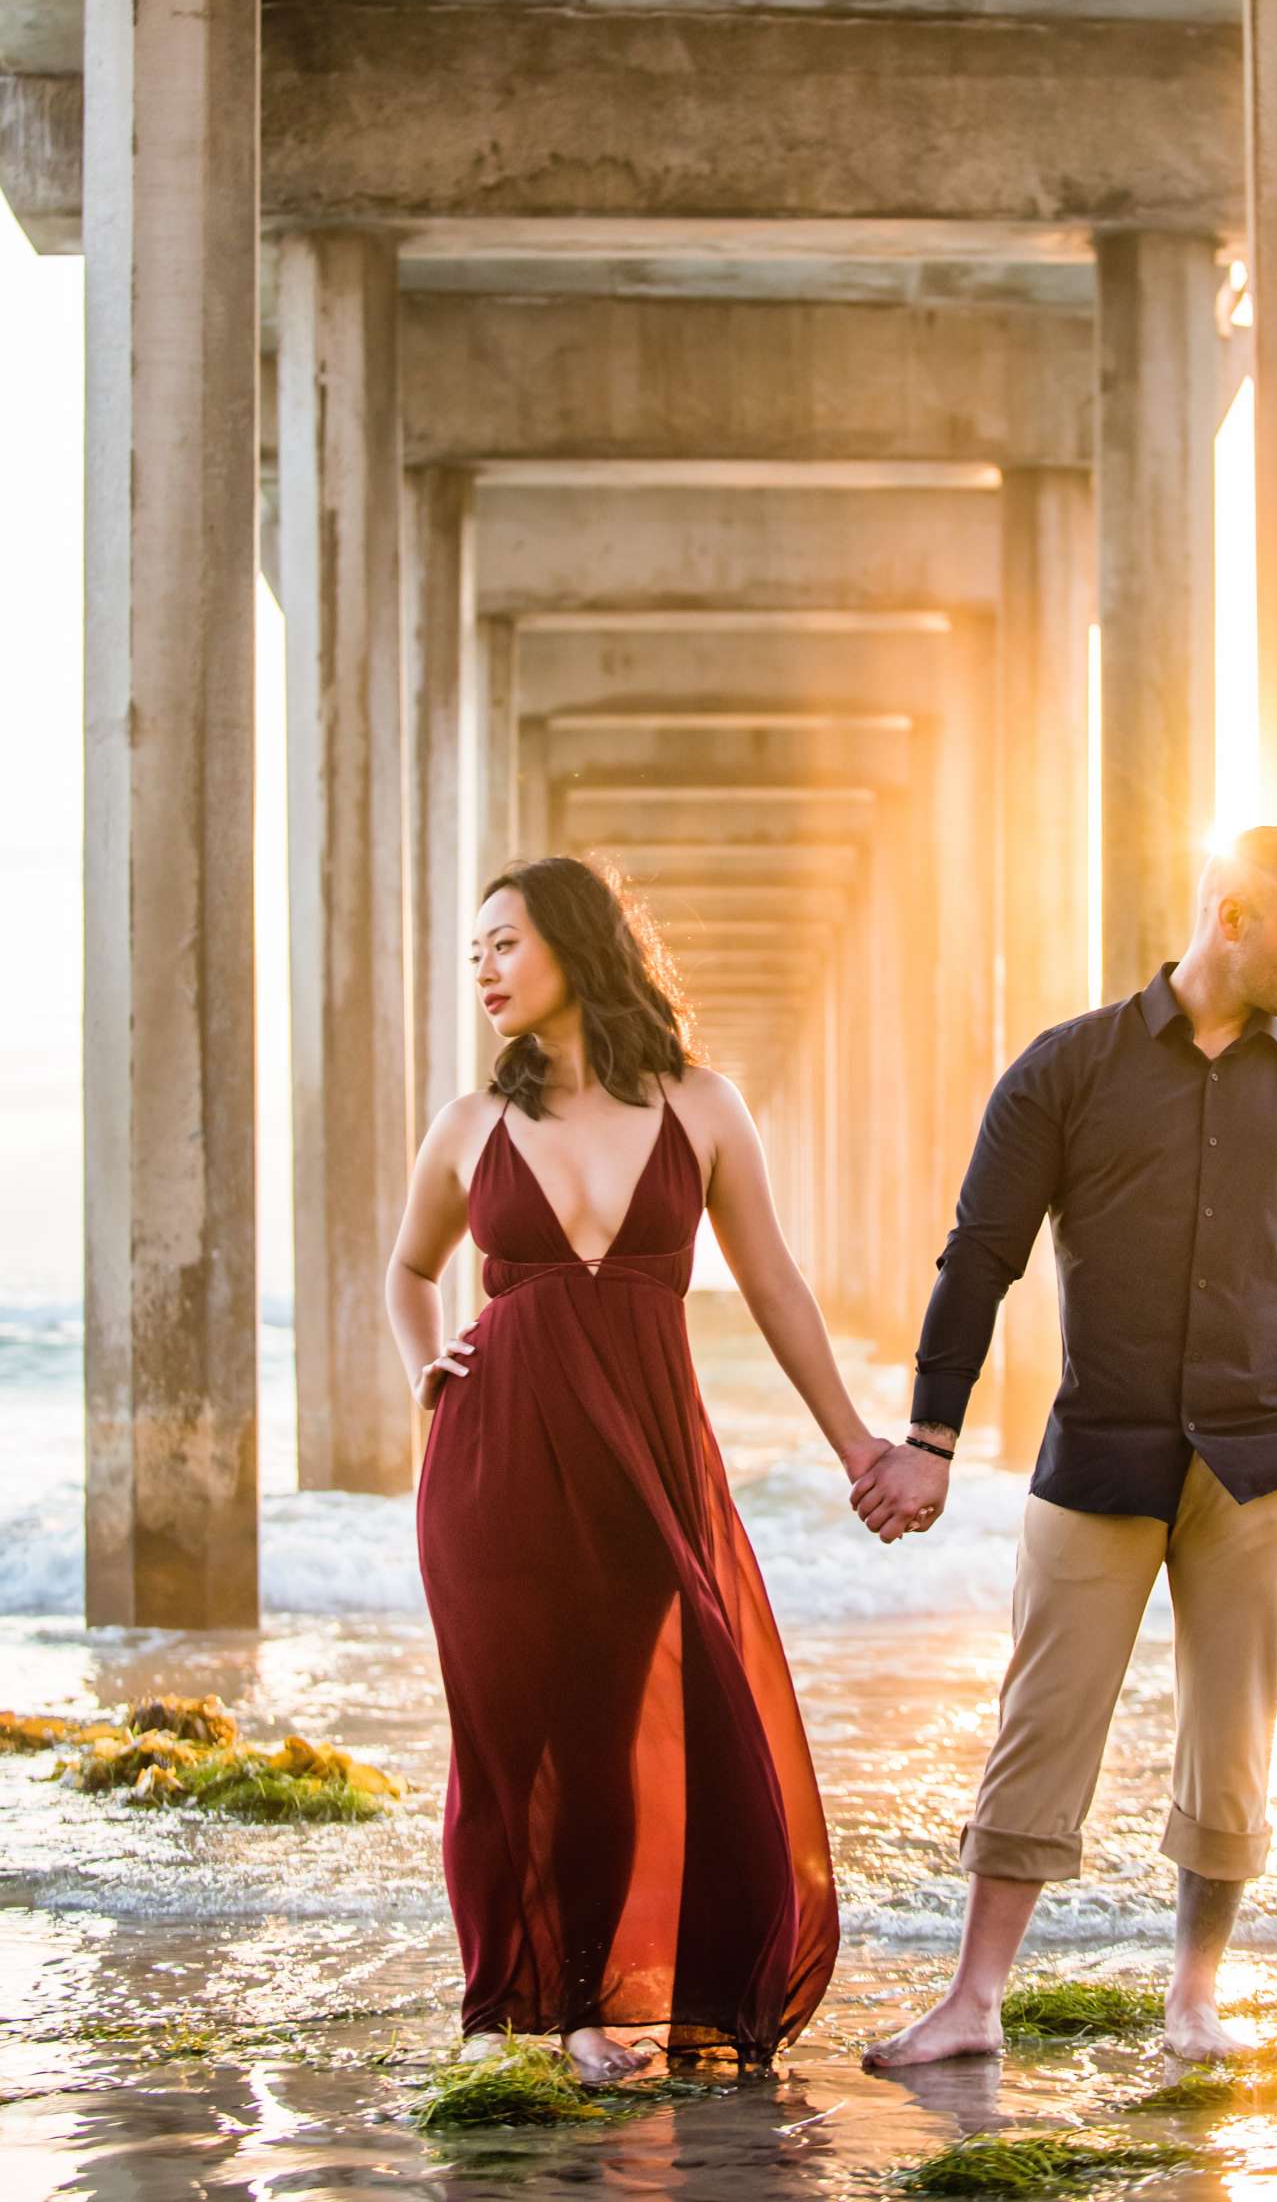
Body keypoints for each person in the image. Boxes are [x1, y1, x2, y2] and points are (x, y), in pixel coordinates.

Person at [852, 826, 1277, 2066]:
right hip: (1098, 1458)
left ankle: (1194, 2002)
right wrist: (931, 1435)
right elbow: (980, 1256)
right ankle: (974, 2001)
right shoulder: (1069, 1070)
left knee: (1233, 1748)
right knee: (1040, 1727)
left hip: (1266, 1473)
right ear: (1229, 918)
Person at [386, 856, 891, 2081]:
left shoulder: (703, 1107)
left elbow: (774, 1285)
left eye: (505, 942)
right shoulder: (470, 1126)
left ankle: (618, 1992)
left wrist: (858, 1442)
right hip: (492, 1469)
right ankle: (545, 2011)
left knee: (632, 1734)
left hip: (643, 1463)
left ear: (575, 943)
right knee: (510, 1746)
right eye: (477, 952)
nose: (486, 970)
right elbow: (407, 1272)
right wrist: (426, 1370)